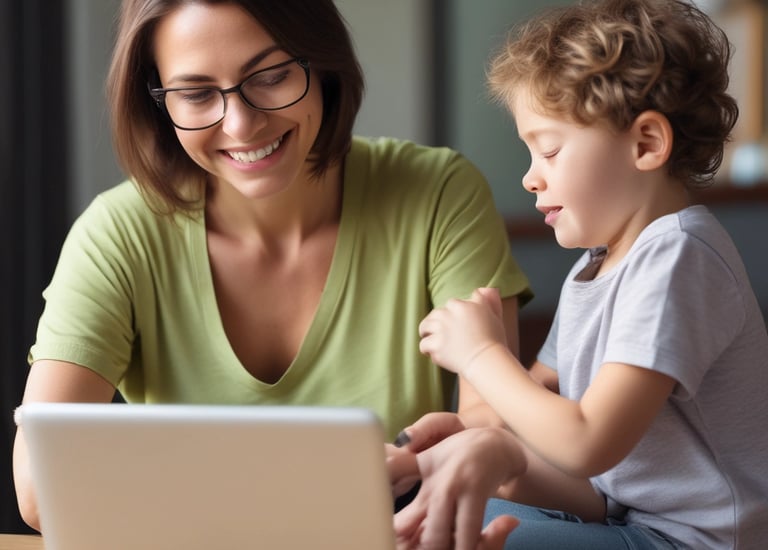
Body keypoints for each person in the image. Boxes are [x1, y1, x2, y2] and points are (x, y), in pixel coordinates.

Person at [12, 0, 532, 534]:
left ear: (323, 64)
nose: (241, 125)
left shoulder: (439, 195)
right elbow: (37, 485)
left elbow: (491, 427)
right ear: (158, 102)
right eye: (195, 94)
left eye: (272, 76)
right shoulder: (116, 235)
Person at [391, 0, 768, 548]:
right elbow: (536, 401)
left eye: (547, 151)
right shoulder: (597, 264)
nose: (529, 178)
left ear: (646, 144)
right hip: (620, 511)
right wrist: (433, 451)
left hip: (692, 539)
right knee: (445, 515)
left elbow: (587, 442)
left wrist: (480, 355)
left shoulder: (679, 257)